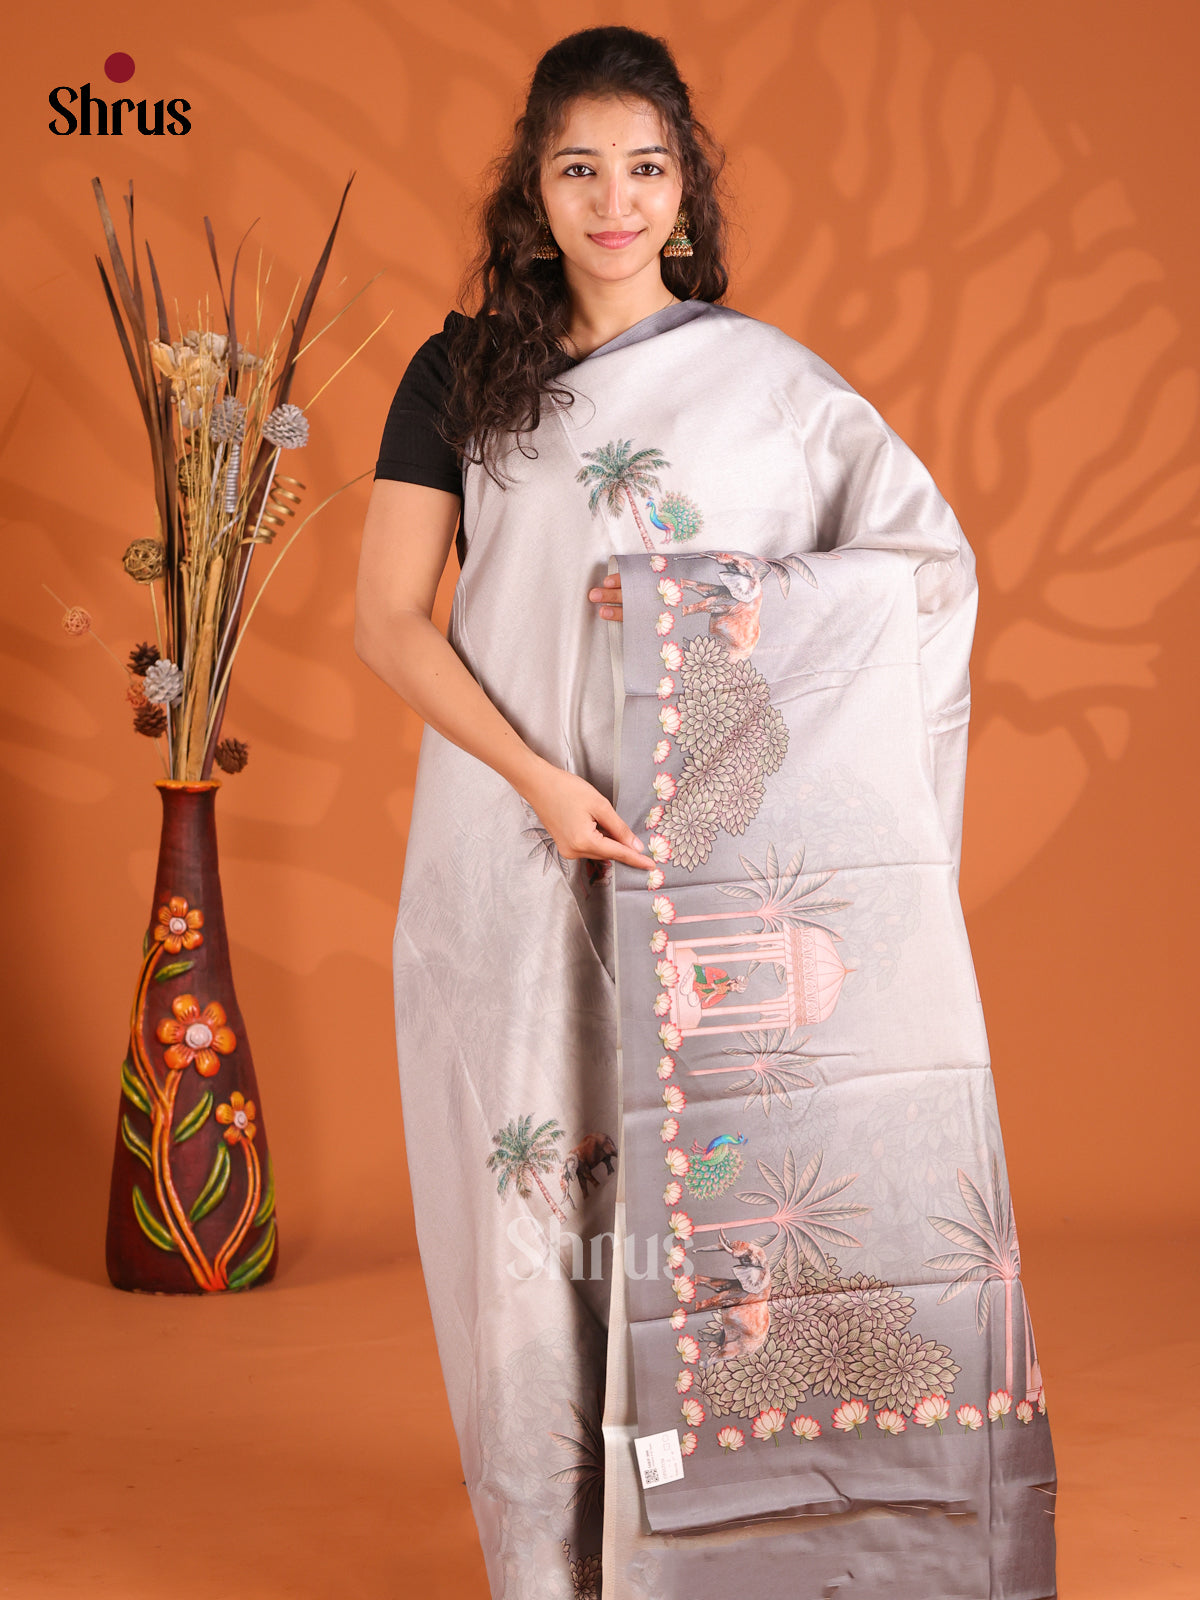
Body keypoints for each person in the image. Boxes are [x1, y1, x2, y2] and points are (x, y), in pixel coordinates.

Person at [356, 24, 1056, 1600]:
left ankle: (742, 1554)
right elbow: (390, 621)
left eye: (646, 168)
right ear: (534, 192)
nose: (615, 201)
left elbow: (918, 579)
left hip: (705, 876)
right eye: (580, 169)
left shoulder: (775, 391)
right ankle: (554, 1568)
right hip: (511, 856)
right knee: (537, 1217)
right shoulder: (461, 375)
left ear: (685, 191)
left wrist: (724, 639)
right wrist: (543, 783)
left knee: (716, 1221)